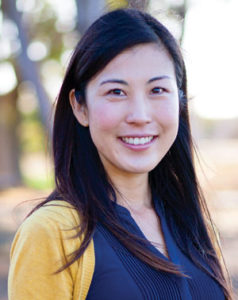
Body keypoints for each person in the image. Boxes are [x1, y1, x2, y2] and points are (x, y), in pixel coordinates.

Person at [8, 8, 232, 300]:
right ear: (80, 106)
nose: (140, 115)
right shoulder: (52, 234)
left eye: (157, 90)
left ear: (179, 100)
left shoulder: (191, 225)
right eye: (116, 92)